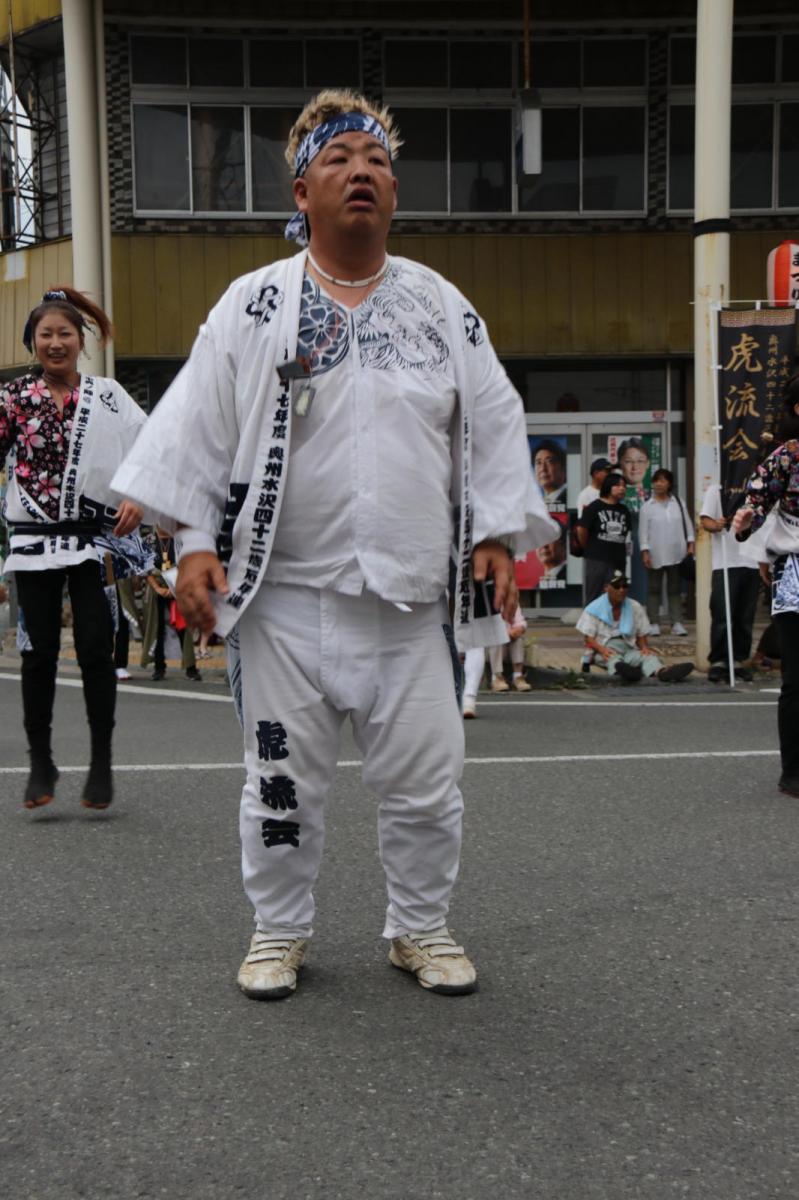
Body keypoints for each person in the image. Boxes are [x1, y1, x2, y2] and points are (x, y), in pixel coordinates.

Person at [112, 89, 558, 1001]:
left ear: (393, 192)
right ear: (301, 187)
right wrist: (195, 539)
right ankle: (278, 931)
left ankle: (420, 927)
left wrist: (494, 534)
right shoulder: (252, 305)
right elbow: (200, 427)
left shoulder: (440, 305)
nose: (363, 171)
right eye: (340, 157)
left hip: (411, 603)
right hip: (283, 603)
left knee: (429, 788)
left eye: (378, 161)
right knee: (278, 784)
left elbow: (493, 421)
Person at [0, 287, 144, 810]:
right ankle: (42, 761)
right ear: (32, 342)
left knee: (94, 648)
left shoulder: (108, 395)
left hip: (89, 544)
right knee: (36, 653)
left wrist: (137, 496)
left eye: (65, 333)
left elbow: (149, 451)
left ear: (81, 341)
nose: (56, 343)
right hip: (33, 543)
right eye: (46, 335)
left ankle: (101, 762)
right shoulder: (14, 398)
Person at [732, 371, 799, 797]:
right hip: (794, 568)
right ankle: (793, 771)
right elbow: (757, 498)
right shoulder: (788, 456)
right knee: (796, 676)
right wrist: (744, 521)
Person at [576, 570, 694, 683]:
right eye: (617, 586)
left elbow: (641, 633)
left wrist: (644, 648)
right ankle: (624, 672)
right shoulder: (593, 608)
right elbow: (588, 638)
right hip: (605, 648)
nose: (621, 590)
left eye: (625, 586)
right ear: (606, 588)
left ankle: (662, 672)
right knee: (613, 659)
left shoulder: (635, 606)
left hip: (628, 646)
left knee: (647, 657)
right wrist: (602, 650)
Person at [699, 482, 760, 682]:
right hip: (725, 562)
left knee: (744, 617)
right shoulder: (717, 489)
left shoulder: (758, 489)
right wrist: (716, 525)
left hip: (751, 562)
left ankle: (737, 661)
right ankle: (718, 661)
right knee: (722, 614)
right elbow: (705, 520)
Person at [638, 468, 694, 637]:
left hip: (678, 552)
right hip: (655, 552)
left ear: (669, 483)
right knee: (654, 588)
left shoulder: (678, 502)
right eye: (656, 480)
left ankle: (676, 622)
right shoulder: (647, 506)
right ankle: (654, 622)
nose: (659, 484)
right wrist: (645, 551)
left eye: (663, 480)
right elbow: (643, 532)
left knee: (675, 589)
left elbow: (687, 523)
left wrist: (691, 543)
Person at [576, 471, 631, 602]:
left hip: (618, 560)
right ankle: (592, 622)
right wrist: (588, 547)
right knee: (594, 597)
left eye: (624, 486)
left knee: (618, 596)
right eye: (617, 485)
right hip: (597, 559)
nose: (622, 488)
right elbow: (581, 530)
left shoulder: (624, 510)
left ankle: (615, 622)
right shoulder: (594, 507)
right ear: (608, 487)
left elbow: (626, 532)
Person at [533, 439, 567, 506]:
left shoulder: (568, 498)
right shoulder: (538, 502)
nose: (543, 468)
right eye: (538, 463)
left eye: (549, 462)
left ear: (563, 467)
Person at [536, 522, 567, 587]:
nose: (544, 545)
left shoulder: (572, 578)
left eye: (549, 538)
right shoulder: (537, 586)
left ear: (564, 545)